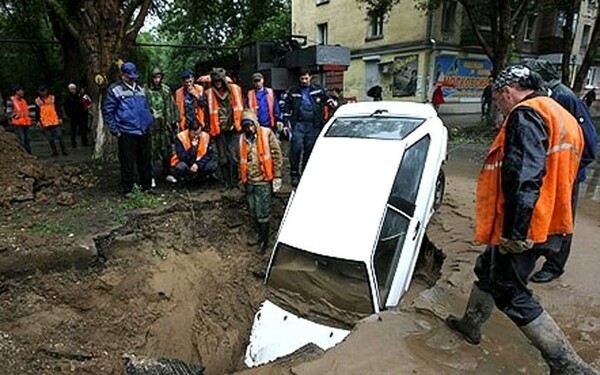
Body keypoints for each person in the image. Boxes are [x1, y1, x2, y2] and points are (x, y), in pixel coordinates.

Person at [445, 65, 598, 374]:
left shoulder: (526, 114)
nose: (499, 108)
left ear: (507, 92)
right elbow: (581, 160)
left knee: (510, 292)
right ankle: (471, 325)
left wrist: (516, 231)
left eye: (498, 100)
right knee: (487, 269)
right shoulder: (560, 114)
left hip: (526, 224)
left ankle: (568, 365)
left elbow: (523, 175)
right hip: (549, 219)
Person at [523, 59, 598, 284]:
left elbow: (590, 143)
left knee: (563, 218)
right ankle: (538, 251)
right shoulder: (543, 97)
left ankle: (555, 265)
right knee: (543, 213)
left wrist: (570, 170)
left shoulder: (564, 97)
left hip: (567, 173)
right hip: (549, 171)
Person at [103, 61, 154, 197]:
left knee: (145, 160)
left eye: (133, 76)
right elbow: (108, 112)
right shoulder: (115, 90)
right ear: (122, 75)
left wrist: (149, 122)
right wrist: (115, 130)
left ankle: (146, 186)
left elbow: (146, 108)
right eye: (129, 76)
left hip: (143, 130)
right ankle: (128, 189)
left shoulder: (140, 89)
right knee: (127, 162)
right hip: (126, 132)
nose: (132, 79)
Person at [283, 67, 337, 187]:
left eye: (306, 78)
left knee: (310, 150)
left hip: (313, 125)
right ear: (299, 79)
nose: (304, 81)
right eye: (302, 78)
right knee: (295, 149)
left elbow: (328, 99)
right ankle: (294, 174)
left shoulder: (318, 90)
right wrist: (286, 124)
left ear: (310, 78)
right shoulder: (293, 92)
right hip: (298, 125)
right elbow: (286, 109)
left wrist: (332, 102)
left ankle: (305, 174)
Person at [239, 110, 282, 252]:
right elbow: (242, 160)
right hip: (250, 180)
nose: (248, 129)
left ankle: (264, 241)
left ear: (255, 124)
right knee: (253, 210)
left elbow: (276, 154)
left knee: (263, 212)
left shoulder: (266, 134)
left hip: (263, 180)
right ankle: (258, 235)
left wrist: (277, 176)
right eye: (245, 127)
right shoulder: (242, 139)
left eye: (250, 126)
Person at [204, 67, 244, 189]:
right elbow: (206, 113)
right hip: (219, 130)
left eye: (220, 81)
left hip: (234, 128)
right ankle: (226, 182)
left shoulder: (235, 90)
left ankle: (236, 181)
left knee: (234, 156)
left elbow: (241, 107)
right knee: (223, 158)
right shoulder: (208, 94)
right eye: (216, 81)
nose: (218, 84)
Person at [145, 67, 180, 186]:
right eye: (154, 77)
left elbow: (172, 107)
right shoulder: (145, 91)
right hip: (151, 128)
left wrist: (174, 123)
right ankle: (152, 176)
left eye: (158, 77)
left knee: (167, 151)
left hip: (165, 127)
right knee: (151, 152)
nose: (156, 80)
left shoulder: (166, 90)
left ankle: (167, 173)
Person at [35, 85, 67, 156]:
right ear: (39, 92)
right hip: (45, 123)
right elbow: (37, 112)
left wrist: (60, 118)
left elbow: (58, 109)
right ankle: (55, 151)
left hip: (55, 121)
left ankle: (63, 151)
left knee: (60, 136)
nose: (43, 92)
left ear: (46, 91)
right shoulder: (37, 101)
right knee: (50, 139)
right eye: (41, 91)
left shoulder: (52, 98)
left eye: (44, 91)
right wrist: (38, 121)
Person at [7, 85, 33, 153]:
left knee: (27, 139)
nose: (23, 92)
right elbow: (9, 112)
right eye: (21, 90)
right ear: (17, 91)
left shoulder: (23, 100)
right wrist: (17, 117)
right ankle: (24, 153)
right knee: (21, 139)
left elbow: (26, 111)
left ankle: (29, 153)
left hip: (26, 122)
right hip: (18, 123)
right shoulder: (11, 100)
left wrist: (29, 117)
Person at [64, 83, 89, 147]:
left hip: (81, 114)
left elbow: (84, 103)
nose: (73, 90)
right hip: (73, 115)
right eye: (71, 89)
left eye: (74, 88)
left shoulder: (79, 95)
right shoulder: (68, 97)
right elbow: (66, 106)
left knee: (83, 128)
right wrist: (68, 114)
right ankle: (73, 142)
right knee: (73, 130)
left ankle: (84, 141)